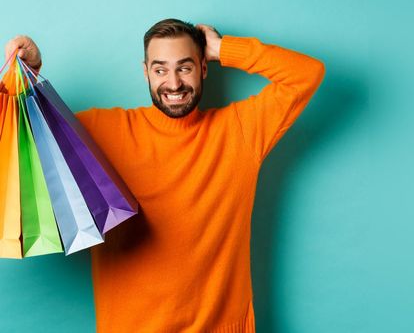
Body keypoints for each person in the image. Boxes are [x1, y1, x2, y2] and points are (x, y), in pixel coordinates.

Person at [4, 18, 326, 332]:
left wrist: (221, 47)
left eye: (184, 67)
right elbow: (22, 137)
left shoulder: (240, 131)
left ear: (203, 68)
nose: (173, 83)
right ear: (146, 72)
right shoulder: (101, 132)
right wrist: (27, 76)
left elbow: (306, 74)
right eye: (160, 69)